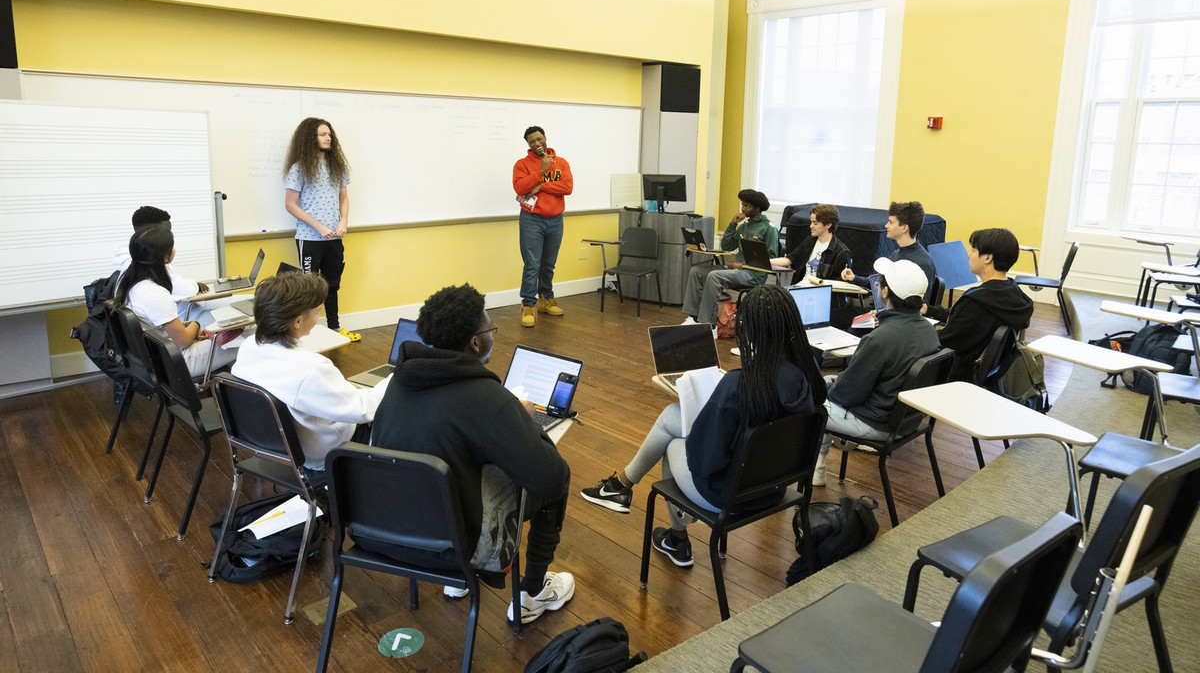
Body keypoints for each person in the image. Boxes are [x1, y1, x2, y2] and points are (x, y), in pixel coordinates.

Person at [371, 284, 574, 624]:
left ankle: (456, 584)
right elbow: (549, 477)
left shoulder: (400, 380)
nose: (492, 334)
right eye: (490, 328)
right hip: (456, 545)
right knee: (559, 476)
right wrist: (523, 420)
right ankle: (534, 592)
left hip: (386, 531)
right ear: (476, 342)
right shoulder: (486, 397)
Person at [581, 285, 826, 567]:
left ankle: (676, 537)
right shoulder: (807, 377)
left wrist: (702, 419)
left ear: (748, 330)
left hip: (729, 496)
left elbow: (704, 461)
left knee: (673, 442)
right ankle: (622, 487)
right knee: (673, 415)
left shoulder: (738, 384)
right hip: (773, 489)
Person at [231, 271, 385, 471]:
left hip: (273, 446)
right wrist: (392, 381)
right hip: (323, 455)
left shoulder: (249, 346)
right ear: (297, 321)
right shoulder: (312, 369)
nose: (318, 316)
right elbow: (362, 410)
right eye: (317, 311)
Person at [814, 258, 941, 486]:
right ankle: (818, 468)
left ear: (884, 292)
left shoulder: (879, 339)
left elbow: (844, 395)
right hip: (909, 420)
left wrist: (831, 385)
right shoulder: (930, 331)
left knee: (811, 399)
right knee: (827, 382)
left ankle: (815, 468)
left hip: (878, 424)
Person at [114, 225, 239, 378]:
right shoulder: (155, 293)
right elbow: (184, 341)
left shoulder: (127, 283)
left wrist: (188, 329)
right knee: (248, 339)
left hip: (157, 359)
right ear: (166, 257)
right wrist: (195, 325)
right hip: (177, 362)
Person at [923, 228, 1034, 382]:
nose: (969, 255)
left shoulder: (976, 302)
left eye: (973, 251)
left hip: (954, 375)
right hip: (986, 373)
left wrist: (913, 332)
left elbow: (943, 341)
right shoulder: (1012, 293)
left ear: (987, 257)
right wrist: (930, 310)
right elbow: (965, 320)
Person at [284, 117, 358, 341]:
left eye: (329, 134)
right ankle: (306, 333)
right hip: (310, 238)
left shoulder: (338, 166)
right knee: (308, 288)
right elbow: (290, 205)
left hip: (334, 238)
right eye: (323, 134)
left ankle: (334, 328)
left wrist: (343, 221)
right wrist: (319, 227)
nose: (329, 138)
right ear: (310, 138)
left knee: (332, 285)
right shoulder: (299, 169)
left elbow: (343, 197)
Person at [681, 189, 778, 329]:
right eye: (742, 205)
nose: (743, 209)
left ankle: (708, 325)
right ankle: (694, 317)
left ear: (757, 208)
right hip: (737, 271)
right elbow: (727, 245)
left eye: (747, 206)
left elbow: (769, 260)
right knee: (696, 271)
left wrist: (742, 265)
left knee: (714, 276)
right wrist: (732, 224)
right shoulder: (743, 226)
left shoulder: (769, 229)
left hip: (753, 274)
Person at [513, 126, 574, 328]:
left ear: (545, 138)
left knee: (549, 264)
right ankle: (528, 306)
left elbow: (567, 188)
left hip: (556, 219)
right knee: (532, 265)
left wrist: (541, 186)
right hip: (532, 220)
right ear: (528, 145)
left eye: (539, 139)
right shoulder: (522, 164)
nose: (537, 143)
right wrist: (540, 171)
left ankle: (546, 300)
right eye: (532, 141)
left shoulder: (561, 163)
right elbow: (521, 188)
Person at [113, 206, 208, 314]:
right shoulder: (146, 263)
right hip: (173, 319)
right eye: (166, 231)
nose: (169, 236)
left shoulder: (135, 257)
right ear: (150, 233)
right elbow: (181, 289)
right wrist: (193, 285)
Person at [840, 200, 937, 301]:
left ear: (904, 228)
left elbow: (920, 306)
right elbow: (878, 282)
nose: (886, 225)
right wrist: (854, 278)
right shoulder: (897, 253)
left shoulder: (922, 262)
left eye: (891, 222)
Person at [770, 203, 851, 282]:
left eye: (815, 223)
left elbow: (841, 284)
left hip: (820, 291)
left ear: (828, 225)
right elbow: (789, 260)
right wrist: (765, 262)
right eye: (811, 222)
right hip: (800, 286)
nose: (811, 226)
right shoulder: (809, 241)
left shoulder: (841, 252)